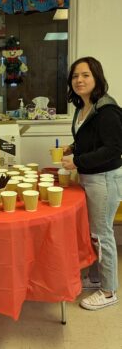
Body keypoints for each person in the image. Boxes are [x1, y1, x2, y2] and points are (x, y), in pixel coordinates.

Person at [62, 56, 122, 310]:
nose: (79, 80)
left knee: (102, 234)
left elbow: (114, 148)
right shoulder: (83, 107)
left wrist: (77, 161)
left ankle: (109, 291)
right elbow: (90, 139)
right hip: (91, 177)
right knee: (94, 233)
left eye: (85, 75)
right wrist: (73, 147)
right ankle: (96, 277)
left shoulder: (107, 110)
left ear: (96, 77)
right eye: (75, 76)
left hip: (104, 179)